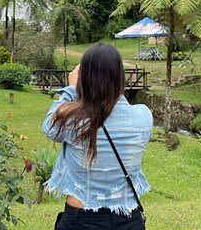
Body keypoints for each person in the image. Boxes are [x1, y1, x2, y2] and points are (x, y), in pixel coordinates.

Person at [43, 42, 153, 230]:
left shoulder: (72, 120)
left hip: (82, 219)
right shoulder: (143, 116)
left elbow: (49, 127)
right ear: (120, 77)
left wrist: (71, 89)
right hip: (129, 219)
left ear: (84, 79)